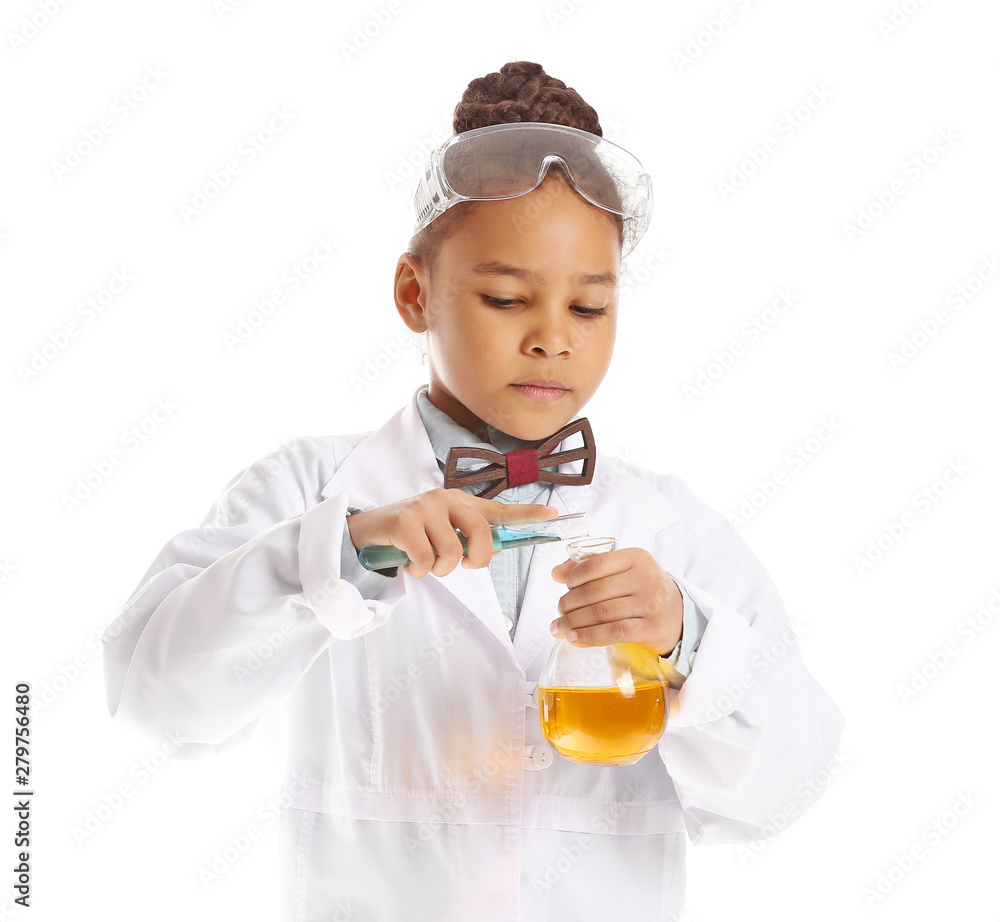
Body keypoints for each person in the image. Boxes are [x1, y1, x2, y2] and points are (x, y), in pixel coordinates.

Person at [102, 60, 846, 921]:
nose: (551, 340)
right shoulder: (310, 488)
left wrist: (686, 635)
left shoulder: (671, 528)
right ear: (416, 294)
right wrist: (344, 552)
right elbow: (154, 702)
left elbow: (787, 788)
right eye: (504, 297)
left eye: (590, 309)